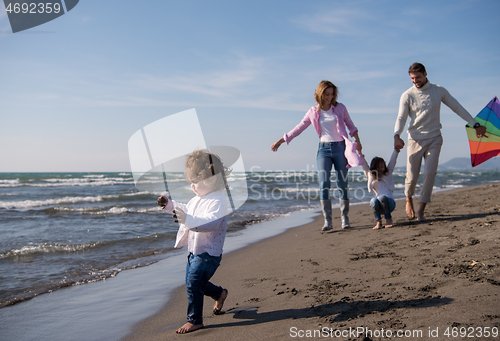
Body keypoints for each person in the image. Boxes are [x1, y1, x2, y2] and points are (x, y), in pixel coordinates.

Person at [394, 63, 487, 221]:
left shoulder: (438, 91)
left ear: (425, 74)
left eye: (417, 77)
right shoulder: (407, 95)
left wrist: (475, 124)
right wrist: (397, 135)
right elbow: (401, 118)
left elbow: (457, 107)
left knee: (430, 174)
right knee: (412, 177)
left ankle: (421, 210)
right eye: (412, 78)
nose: (415, 81)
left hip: (434, 138)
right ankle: (408, 198)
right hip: (415, 139)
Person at [271, 80, 363, 230]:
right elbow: (299, 127)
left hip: (340, 148)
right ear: (320, 94)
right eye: (327, 94)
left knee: (342, 184)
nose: (330, 97)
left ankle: (345, 219)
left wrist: (358, 141)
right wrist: (282, 140)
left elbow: (350, 125)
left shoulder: (340, 108)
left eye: (332, 94)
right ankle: (328, 221)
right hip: (323, 150)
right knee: (324, 184)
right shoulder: (313, 112)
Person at [157, 150, 230, 334]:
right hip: (195, 251)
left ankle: (195, 319)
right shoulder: (198, 198)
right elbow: (185, 208)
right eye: (190, 183)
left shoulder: (218, 200)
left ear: (212, 179)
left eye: (195, 182)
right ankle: (220, 293)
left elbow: (211, 223)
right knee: (197, 283)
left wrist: (187, 220)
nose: (192, 186)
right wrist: (170, 205)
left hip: (208, 254)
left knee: (193, 283)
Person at [361, 149, 400, 229]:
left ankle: (389, 220)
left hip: (390, 204)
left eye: (382, 166)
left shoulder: (388, 174)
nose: (380, 169)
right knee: (373, 200)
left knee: (382, 197)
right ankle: (378, 222)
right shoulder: (371, 176)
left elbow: (393, 161)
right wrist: (360, 155)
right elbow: (364, 166)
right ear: (373, 168)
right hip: (378, 206)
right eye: (377, 167)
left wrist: (396, 150)